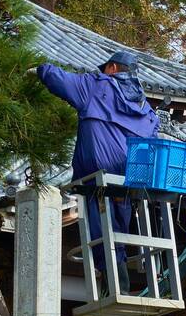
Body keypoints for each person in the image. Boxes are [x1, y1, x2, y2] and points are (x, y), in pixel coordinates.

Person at [33, 49, 159, 291]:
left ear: (112, 68)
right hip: (129, 178)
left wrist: (40, 69)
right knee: (118, 230)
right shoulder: (146, 109)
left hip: (98, 178)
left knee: (101, 230)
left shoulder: (96, 86)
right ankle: (120, 284)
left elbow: (59, 80)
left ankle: (112, 286)